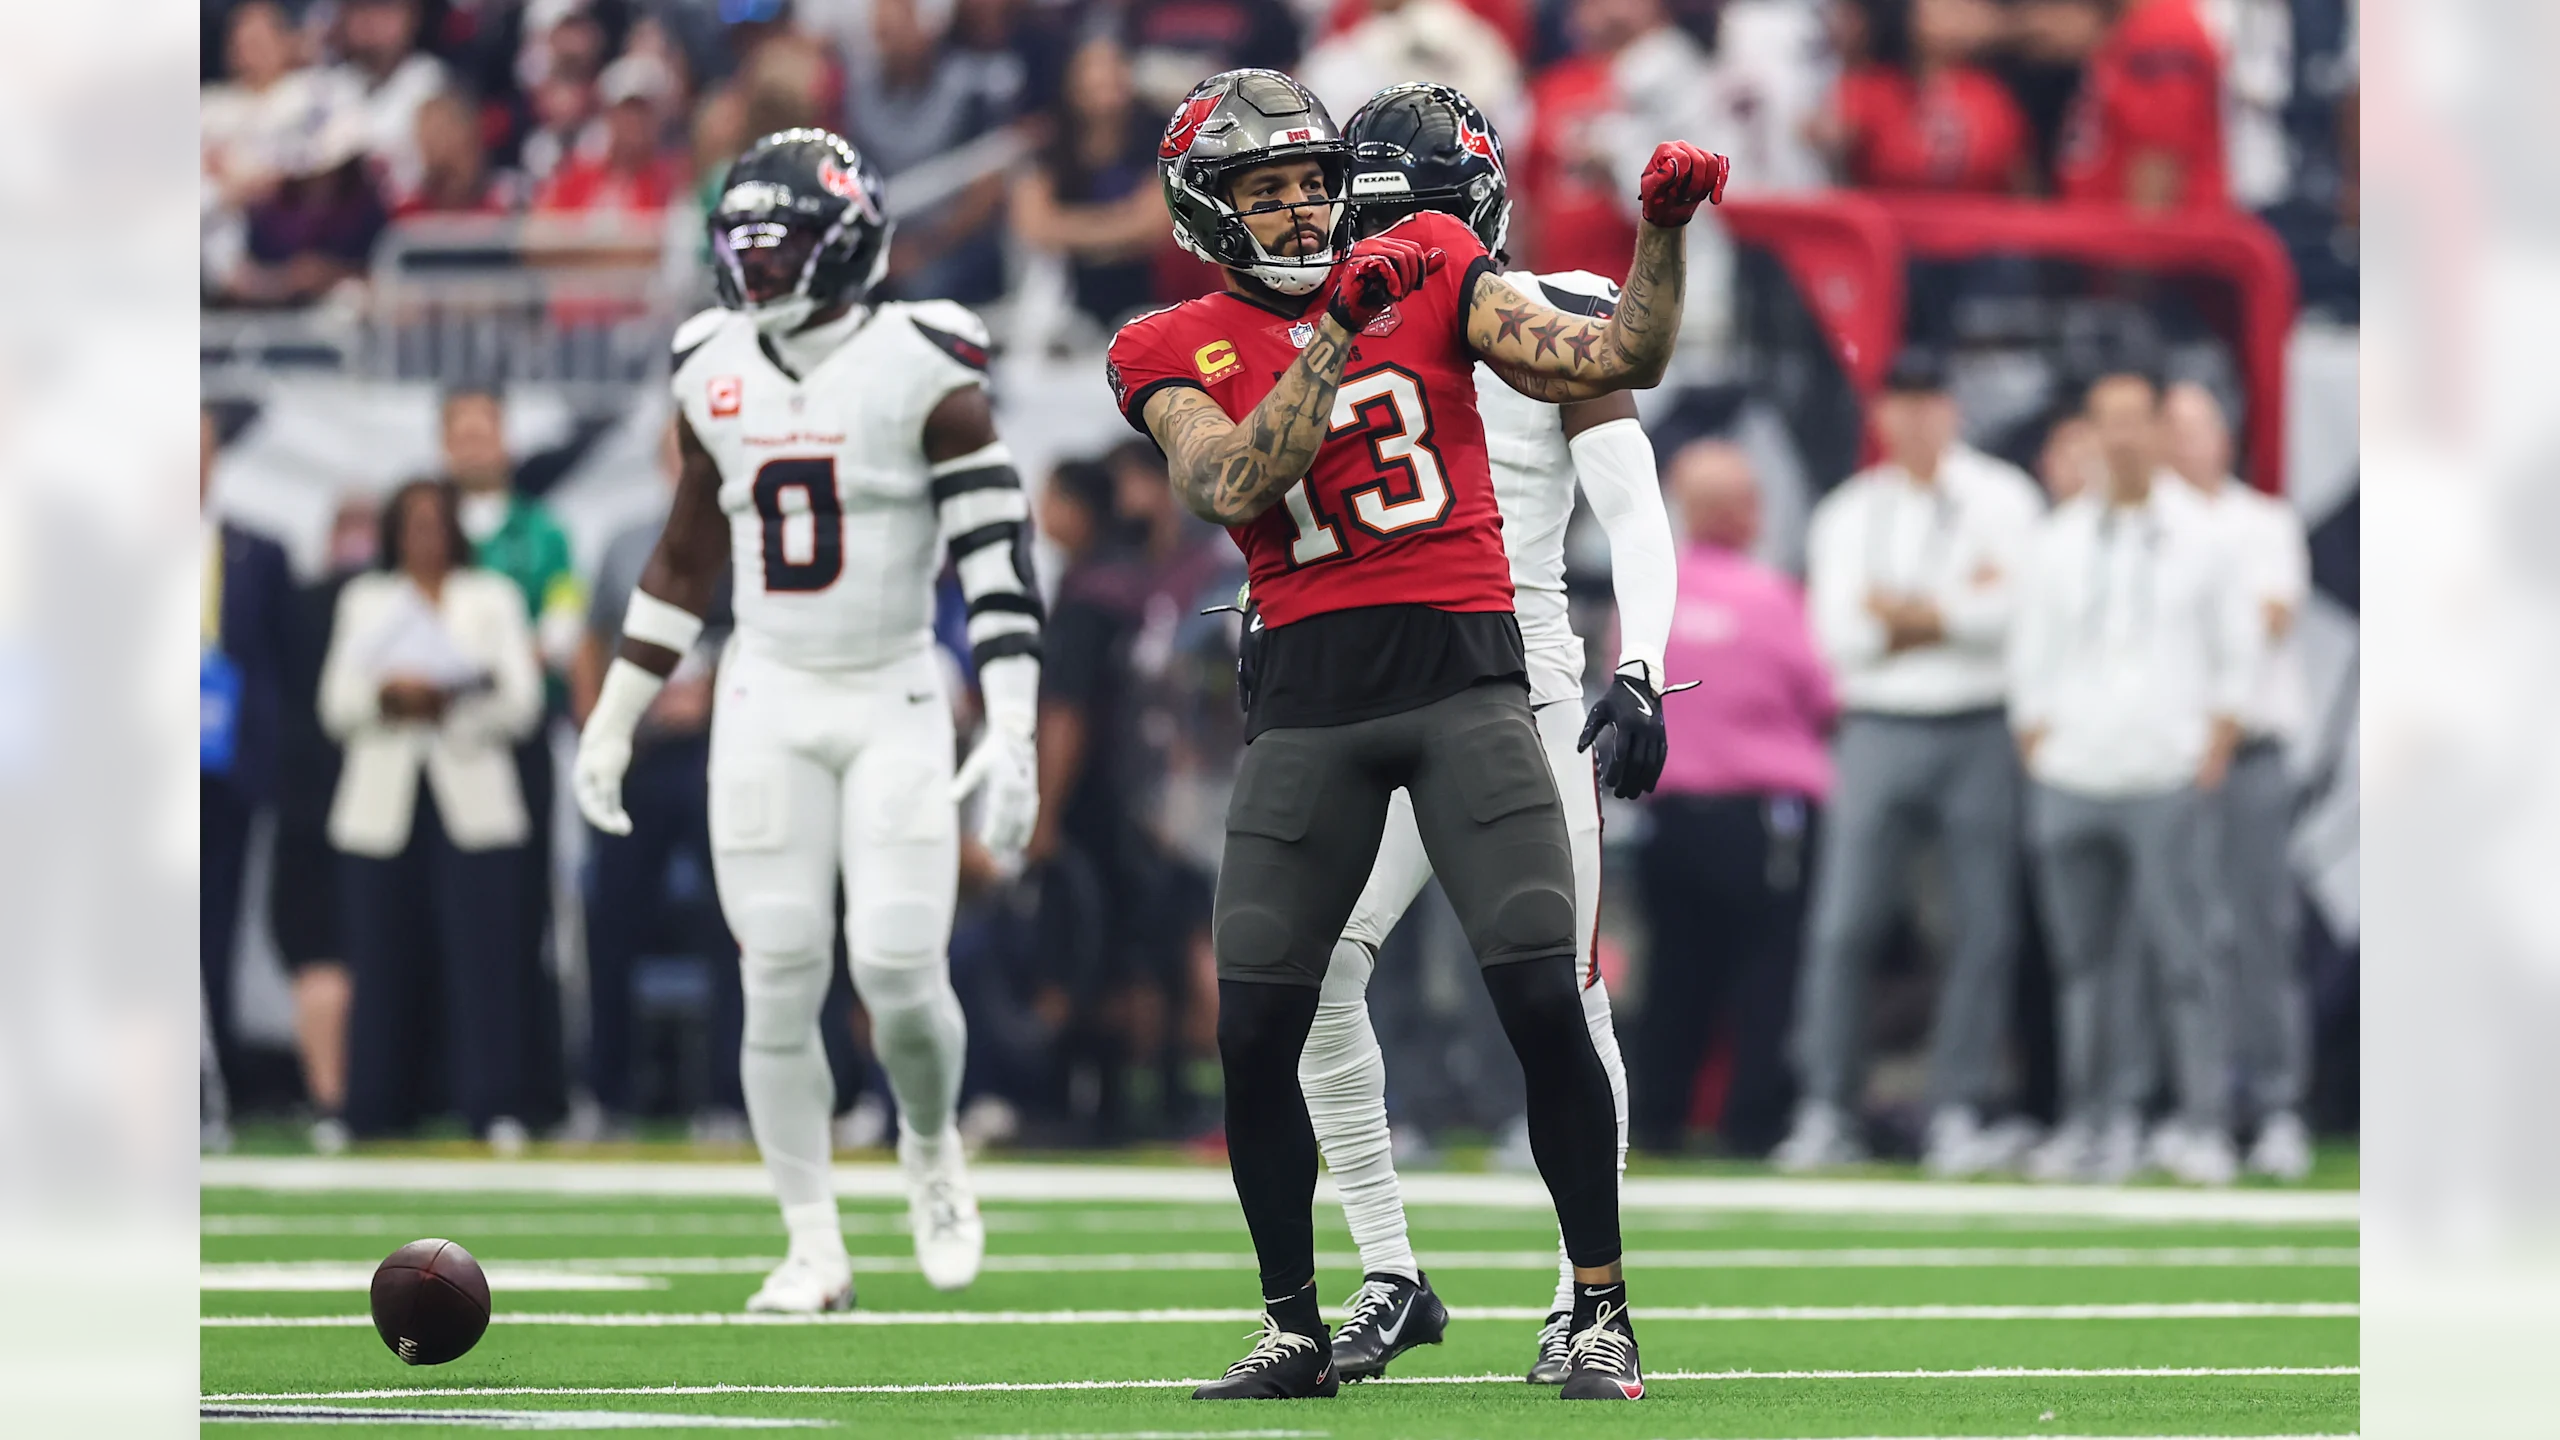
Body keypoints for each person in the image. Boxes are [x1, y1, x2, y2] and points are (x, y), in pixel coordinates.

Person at [1106, 67, 1725, 1400]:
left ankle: (1592, 1304)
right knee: (1276, 1005)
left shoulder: (1455, 273)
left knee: (1547, 990)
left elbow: (1622, 376)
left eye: (1317, 188)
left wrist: (1658, 240)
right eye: (1268, 193)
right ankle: (1343, 1296)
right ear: (1212, 213)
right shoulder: (1173, 341)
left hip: (1487, 680)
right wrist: (1332, 331)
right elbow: (1227, 480)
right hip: (1317, 701)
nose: (1310, 215)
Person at [571, 129, 1044, 1310]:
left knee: (893, 961)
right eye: (741, 247)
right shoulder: (708, 362)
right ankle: (810, 1240)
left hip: (889, 687)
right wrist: (616, 714)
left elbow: (995, 556)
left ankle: (930, 1150)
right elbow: (686, 558)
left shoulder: (925, 359)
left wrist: (1018, 722)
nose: (756, 270)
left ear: (844, 245)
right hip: (766, 690)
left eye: (778, 247)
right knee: (777, 970)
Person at [1272, 84, 1680, 1390]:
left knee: (1556, 990)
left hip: (1522, 686)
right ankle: (1391, 1271)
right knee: (1317, 975)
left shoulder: (1538, 303)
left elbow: (1637, 510)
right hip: (1373, 686)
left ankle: (1589, 1299)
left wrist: (1645, 669)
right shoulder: (1323, 326)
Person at [1780, 348, 2044, 1176]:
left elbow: (2017, 614)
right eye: (1903, 403)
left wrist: (1909, 616)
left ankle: (1958, 1107)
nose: (1918, 418)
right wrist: (1955, 610)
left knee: (1980, 925)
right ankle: (1828, 1104)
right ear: (1882, 415)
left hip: (1979, 721)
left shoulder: (2004, 498)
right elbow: (1838, 638)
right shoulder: (1848, 512)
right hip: (1878, 724)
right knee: (1845, 922)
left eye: (1931, 402)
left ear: (1951, 411)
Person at [2009, 368, 2252, 1186]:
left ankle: (2202, 1123)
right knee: (2084, 966)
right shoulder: (2059, 537)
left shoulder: (2208, 534)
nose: (2119, 435)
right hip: (2073, 770)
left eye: (2133, 419)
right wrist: (2038, 741)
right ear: (2090, 430)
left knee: (2187, 957)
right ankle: (2093, 1123)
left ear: (2157, 429)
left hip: (2165, 769)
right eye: (2104, 419)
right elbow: (2029, 653)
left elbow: (2239, 648)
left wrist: (2212, 741)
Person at [320, 479, 543, 1145]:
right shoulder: (366, 599)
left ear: (454, 531)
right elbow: (335, 706)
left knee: (485, 959)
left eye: (435, 522)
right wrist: (390, 700)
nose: (424, 536)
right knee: (381, 957)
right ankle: (370, 1108)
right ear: (394, 532)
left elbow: (523, 705)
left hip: (472, 795)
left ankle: (494, 1105)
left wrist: (449, 700)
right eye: (411, 524)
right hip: (381, 802)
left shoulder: (491, 598)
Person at [1634, 439, 1834, 1159]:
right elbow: (1822, 695)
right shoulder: (1771, 596)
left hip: (1672, 818)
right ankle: (1750, 1124)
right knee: (1764, 975)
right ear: (1740, 511)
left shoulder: (1650, 596)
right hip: (1762, 818)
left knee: (1674, 975)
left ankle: (1658, 1119)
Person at [2162, 380, 2313, 1181]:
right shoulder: (2152, 526)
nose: (2189, 443)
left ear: (2227, 437)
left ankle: (2279, 1106)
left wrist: (2196, 619)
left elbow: (2271, 619)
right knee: (2189, 940)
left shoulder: (2264, 520)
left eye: (2201, 426)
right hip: (2172, 755)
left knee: (2262, 932)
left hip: (2251, 750)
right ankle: (2201, 1109)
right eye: (2173, 429)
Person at [572, 421, 738, 1139]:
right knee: (613, 918)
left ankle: (732, 1097)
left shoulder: (751, 537)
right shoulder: (622, 541)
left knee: (734, 922)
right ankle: (608, 1093)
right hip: (643, 754)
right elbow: (591, 642)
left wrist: (717, 692)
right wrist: (600, 732)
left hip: (724, 753)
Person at [271, 495, 383, 1153]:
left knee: (364, 959)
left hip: (375, 805)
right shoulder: (301, 605)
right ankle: (333, 1098)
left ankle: (354, 1099)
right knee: (320, 957)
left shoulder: (395, 606)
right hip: (313, 803)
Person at [198, 408, 296, 1112]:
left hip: (226, 771)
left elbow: (281, 667)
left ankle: (216, 1077)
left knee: (220, 926)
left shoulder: (254, 550)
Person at [1008, 35, 1169, 332]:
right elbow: (1033, 226)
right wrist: (1121, 226)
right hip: (1066, 294)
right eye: (1091, 69)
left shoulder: (1160, 135)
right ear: (1071, 80)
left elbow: (1156, 226)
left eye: (1111, 68)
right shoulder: (1049, 142)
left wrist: (1068, 229)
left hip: (1151, 291)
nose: (1102, 80)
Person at [1824, 0, 2032, 193]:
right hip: (1890, 224)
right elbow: (1831, 134)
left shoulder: (1990, 93)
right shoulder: (1875, 88)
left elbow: (2018, 172)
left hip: (1978, 226)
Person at [2056, 0, 2229, 211]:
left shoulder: (2163, 31)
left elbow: (2159, 157)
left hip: (2144, 233)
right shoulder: (2133, 22)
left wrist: (2144, 238)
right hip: (2104, 224)